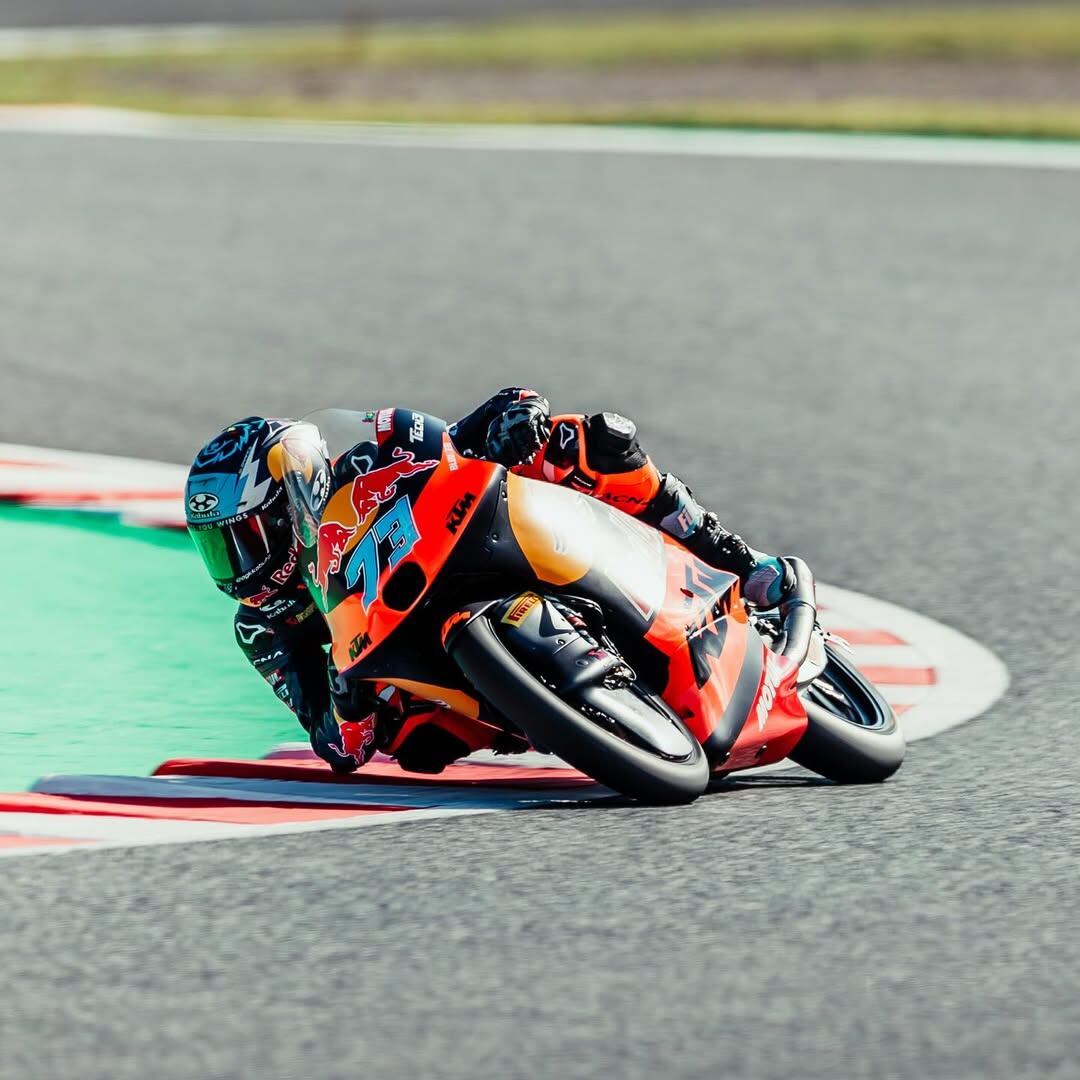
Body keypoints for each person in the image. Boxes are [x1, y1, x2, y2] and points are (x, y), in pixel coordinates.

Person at [184, 389, 794, 774]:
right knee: (413, 742)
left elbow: (459, 434)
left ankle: (735, 558)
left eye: (244, 539)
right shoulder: (264, 627)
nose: (235, 565)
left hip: (480, 548)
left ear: (294, 497)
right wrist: (346, 700)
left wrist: (508, 419)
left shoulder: (369, 459)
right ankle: (554, 711)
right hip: (422, 668)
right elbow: (339, 748)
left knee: (583, 443)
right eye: (217, 550)